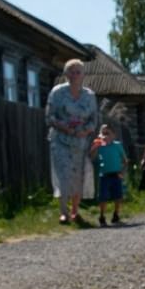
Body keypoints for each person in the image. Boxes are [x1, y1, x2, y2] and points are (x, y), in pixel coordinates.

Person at [46, 59, 98, 225]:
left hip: (80, 141)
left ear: (83, 75)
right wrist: (63, 126)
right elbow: (49, 116)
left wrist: (85, 130)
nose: (74, 75)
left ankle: (75, 210)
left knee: (78, 176)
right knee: (63, 174)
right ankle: (64, 212)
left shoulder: (89, 96)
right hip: (60, 139)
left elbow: (94, 120)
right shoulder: (57, 92)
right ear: (66, 74)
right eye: (71, 71)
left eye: (78, 72)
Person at [89, 124, 127, 226]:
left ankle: (116, 215)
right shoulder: (99, 146)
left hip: (116, 174)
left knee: (118, 196)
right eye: (103, 133)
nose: (105, 136)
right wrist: (95, 147)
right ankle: (102, 216)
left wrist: (122, 172)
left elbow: (124, 160)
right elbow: (92, 157)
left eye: (107, 133)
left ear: (113, 135)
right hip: (104, 174)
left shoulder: (117, 145)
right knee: (103, 197)